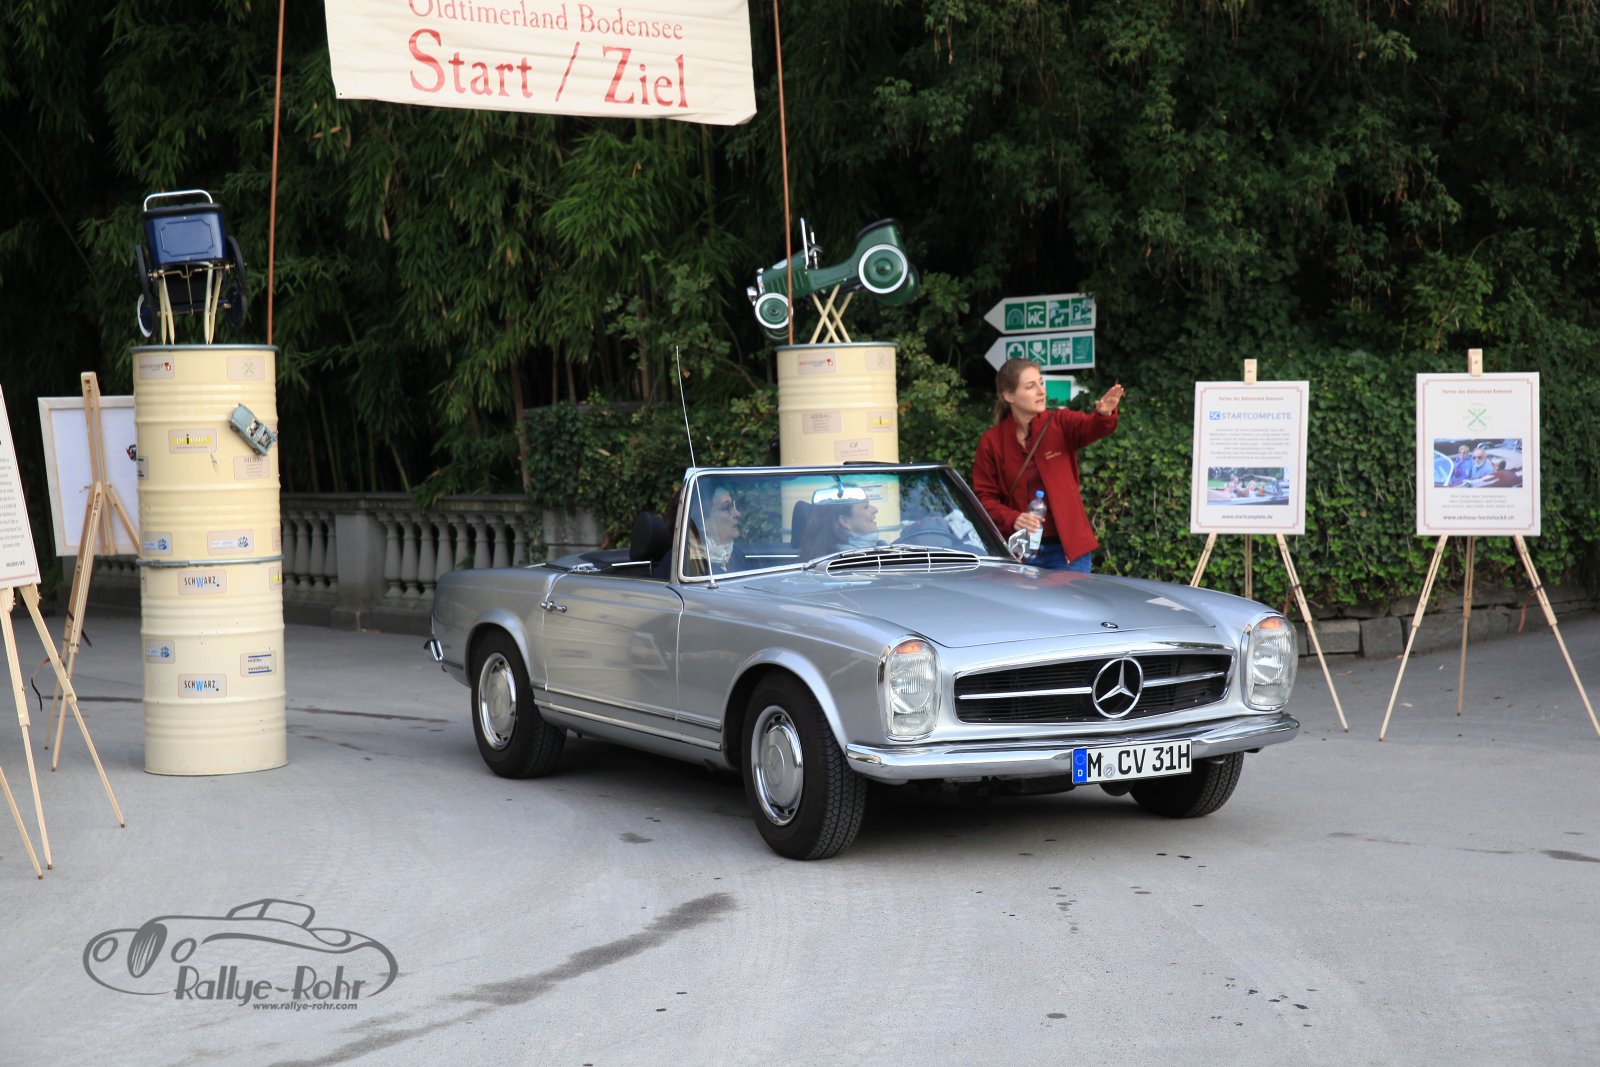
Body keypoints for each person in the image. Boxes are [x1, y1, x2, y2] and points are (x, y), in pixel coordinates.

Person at [972, 358, 1123, 572]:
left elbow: (1092, 426)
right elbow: (982, 499)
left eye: (1041, 383)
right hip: (1019, 552)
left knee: (1074, 596)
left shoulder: (1061, 422)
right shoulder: (991, 441)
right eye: (1030, 386)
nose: (1041, 391)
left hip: (1067, 552)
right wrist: (1013, 518)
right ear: (1009, 396)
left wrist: (1103, 414)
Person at [683, 481, 744, 575]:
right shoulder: (682, 560)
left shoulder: (737, 554)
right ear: (703, 523)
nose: (737, 514)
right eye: (726, 507)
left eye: (734, 506)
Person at [796, 499, 880, 560]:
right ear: (844, 521)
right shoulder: (831, 564)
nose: (875, 509)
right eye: (866, 507)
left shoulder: (881, 546)